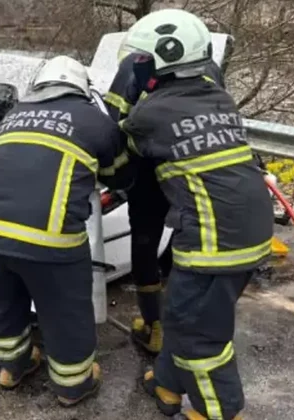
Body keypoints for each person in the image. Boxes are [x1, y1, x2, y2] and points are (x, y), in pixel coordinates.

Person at [115, 9, 274, 420]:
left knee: (197, 332)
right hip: (250, 228)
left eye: (142, 61)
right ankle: (168, 385)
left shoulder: (148, 116)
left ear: (161, 62)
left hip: (214, 243)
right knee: (186, 314)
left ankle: (220, 411)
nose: (138, 68)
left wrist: (119, 99)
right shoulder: (219, 97)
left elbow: (118, 157)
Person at [0, 55, 126, 407]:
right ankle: (73, 385)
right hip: (47, 238)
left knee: (2, 300)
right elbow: (119, 175)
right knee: (65, 309)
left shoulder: (12, 116)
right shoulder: (96, 122)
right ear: (82, 88)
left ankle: (13, 366)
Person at [101, 34, 228, 356]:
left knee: (144, 240)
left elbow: (114, 122)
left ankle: (154, 325)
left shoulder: (135, 64)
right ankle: (187, 318)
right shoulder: (208, 66)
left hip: (148, 168)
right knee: (192, 234)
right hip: (194, 166)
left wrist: (116, 171)